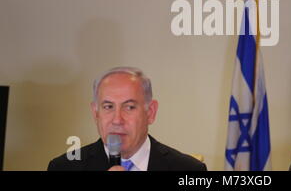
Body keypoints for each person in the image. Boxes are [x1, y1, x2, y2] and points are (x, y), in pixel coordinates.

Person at [48, 67, 207, 171]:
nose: (117, 120)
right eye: (108, 107)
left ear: (150, 112)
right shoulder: (64, 167)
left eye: (129, 107)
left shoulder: (188, 170)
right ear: (95, 113)